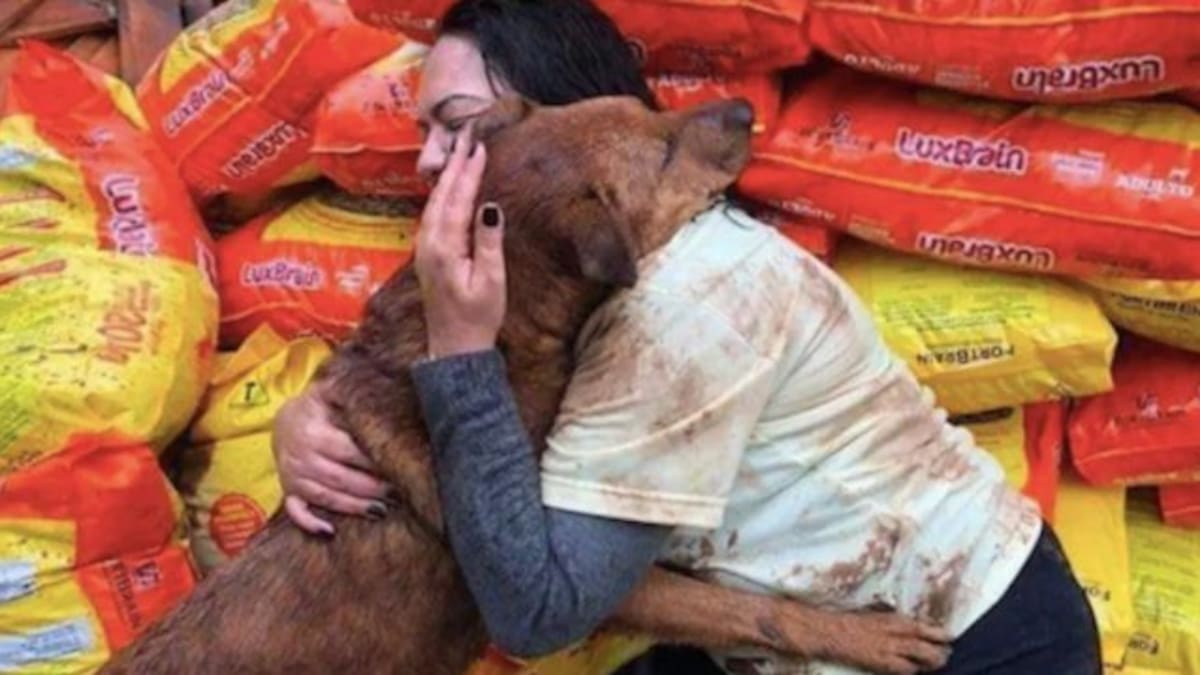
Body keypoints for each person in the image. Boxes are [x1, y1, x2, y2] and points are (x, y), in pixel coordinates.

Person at [272, 1, 1103, 673]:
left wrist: (459, 361)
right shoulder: (540, 259)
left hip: (969, 637)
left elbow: (538, 604)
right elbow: (398, 382)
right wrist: (309, 418)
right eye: (425, 130)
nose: (428, 161)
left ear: (561, 124)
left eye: (464, 125)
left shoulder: (682, 309)